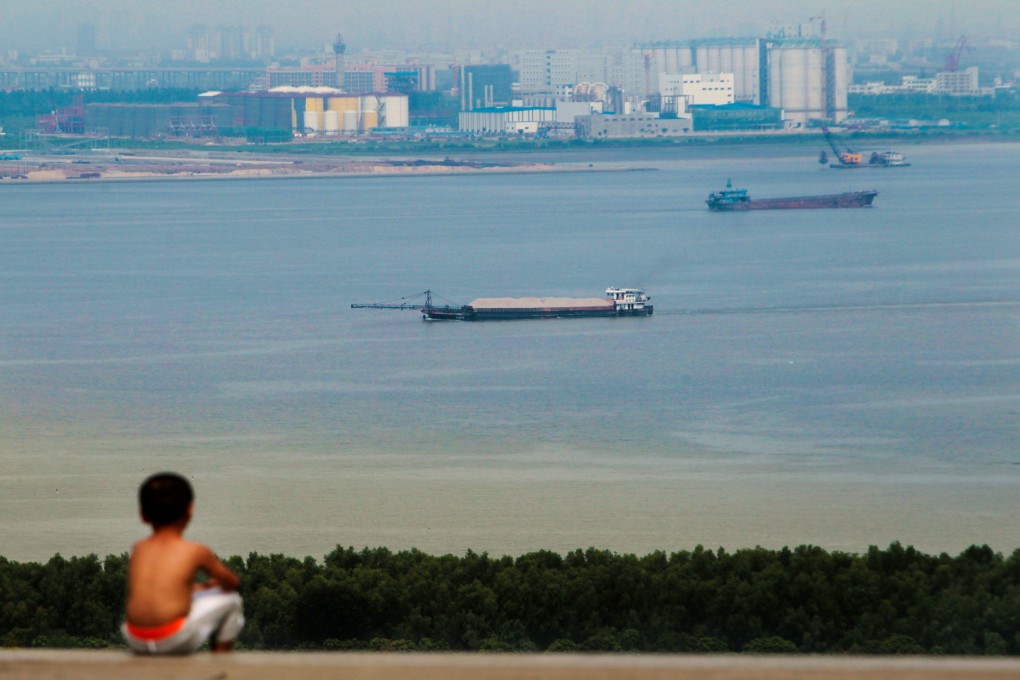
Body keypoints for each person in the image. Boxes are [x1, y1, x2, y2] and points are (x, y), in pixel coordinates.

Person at [121, 472, 244, 654]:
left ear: (143, 515)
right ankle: (220, 663)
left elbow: (160, 589)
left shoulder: (139, 548)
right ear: (189, 511)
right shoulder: (196, 551)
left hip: (134, 637)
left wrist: (197, 589)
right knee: (232, 601)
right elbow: (231, 583)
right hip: (172, 638)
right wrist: (209, 587)